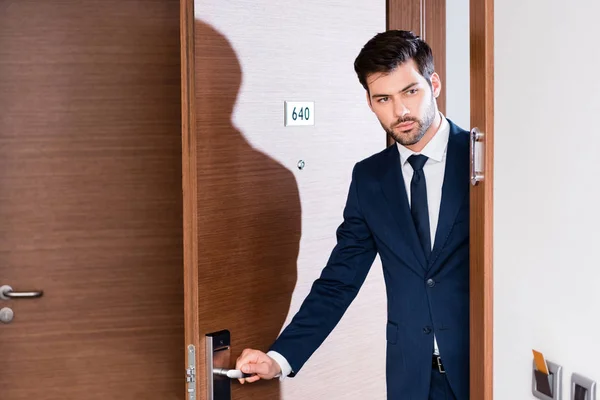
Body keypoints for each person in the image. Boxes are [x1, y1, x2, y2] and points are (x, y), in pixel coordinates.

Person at [235, 30, 470, 400]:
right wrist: (280, 357)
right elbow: (339, 281)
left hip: (484, 370)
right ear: (370, 102)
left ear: (434, 84)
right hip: (412, 379)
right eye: (384, 99)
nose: (400, 112)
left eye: (411, 91)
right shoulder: (369, 178)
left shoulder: (478, 157)